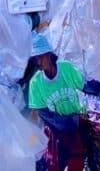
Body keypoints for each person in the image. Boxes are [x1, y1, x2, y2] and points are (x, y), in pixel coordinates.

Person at [27, 32, 88, 171]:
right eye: (35, 59)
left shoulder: (66, 68)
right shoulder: (35, 83)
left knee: (79, 157)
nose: (38, 62)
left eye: (40, 56)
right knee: (54, 163)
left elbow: (84, 87)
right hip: (57, 127)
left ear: (49, 54)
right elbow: (40, 113)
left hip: (77, 121)